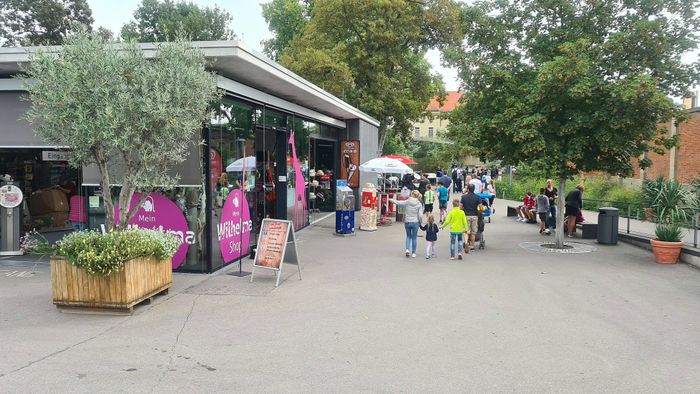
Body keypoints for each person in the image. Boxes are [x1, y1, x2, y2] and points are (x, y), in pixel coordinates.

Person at [390, 190, 424, 257]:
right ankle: (413, 253)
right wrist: (420, 222)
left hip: (407, 221)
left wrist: (391, 200)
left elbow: (399, 203)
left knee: (408, 236)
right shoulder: (419, 204)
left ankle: (407, 250)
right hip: (415, 222)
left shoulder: (408, 201)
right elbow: (420, 215)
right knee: (414, 238)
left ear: (412, 195)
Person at [460, 183, 482, 253]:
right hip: (475, 216)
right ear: (474, 189)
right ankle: (472, 246)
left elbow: (460, 207)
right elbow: (481, 207)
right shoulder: (477, 197)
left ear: (468, 189)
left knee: (466, 231)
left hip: (466, 215)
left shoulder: (463, 197)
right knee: (473, 232)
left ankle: (466, 242)